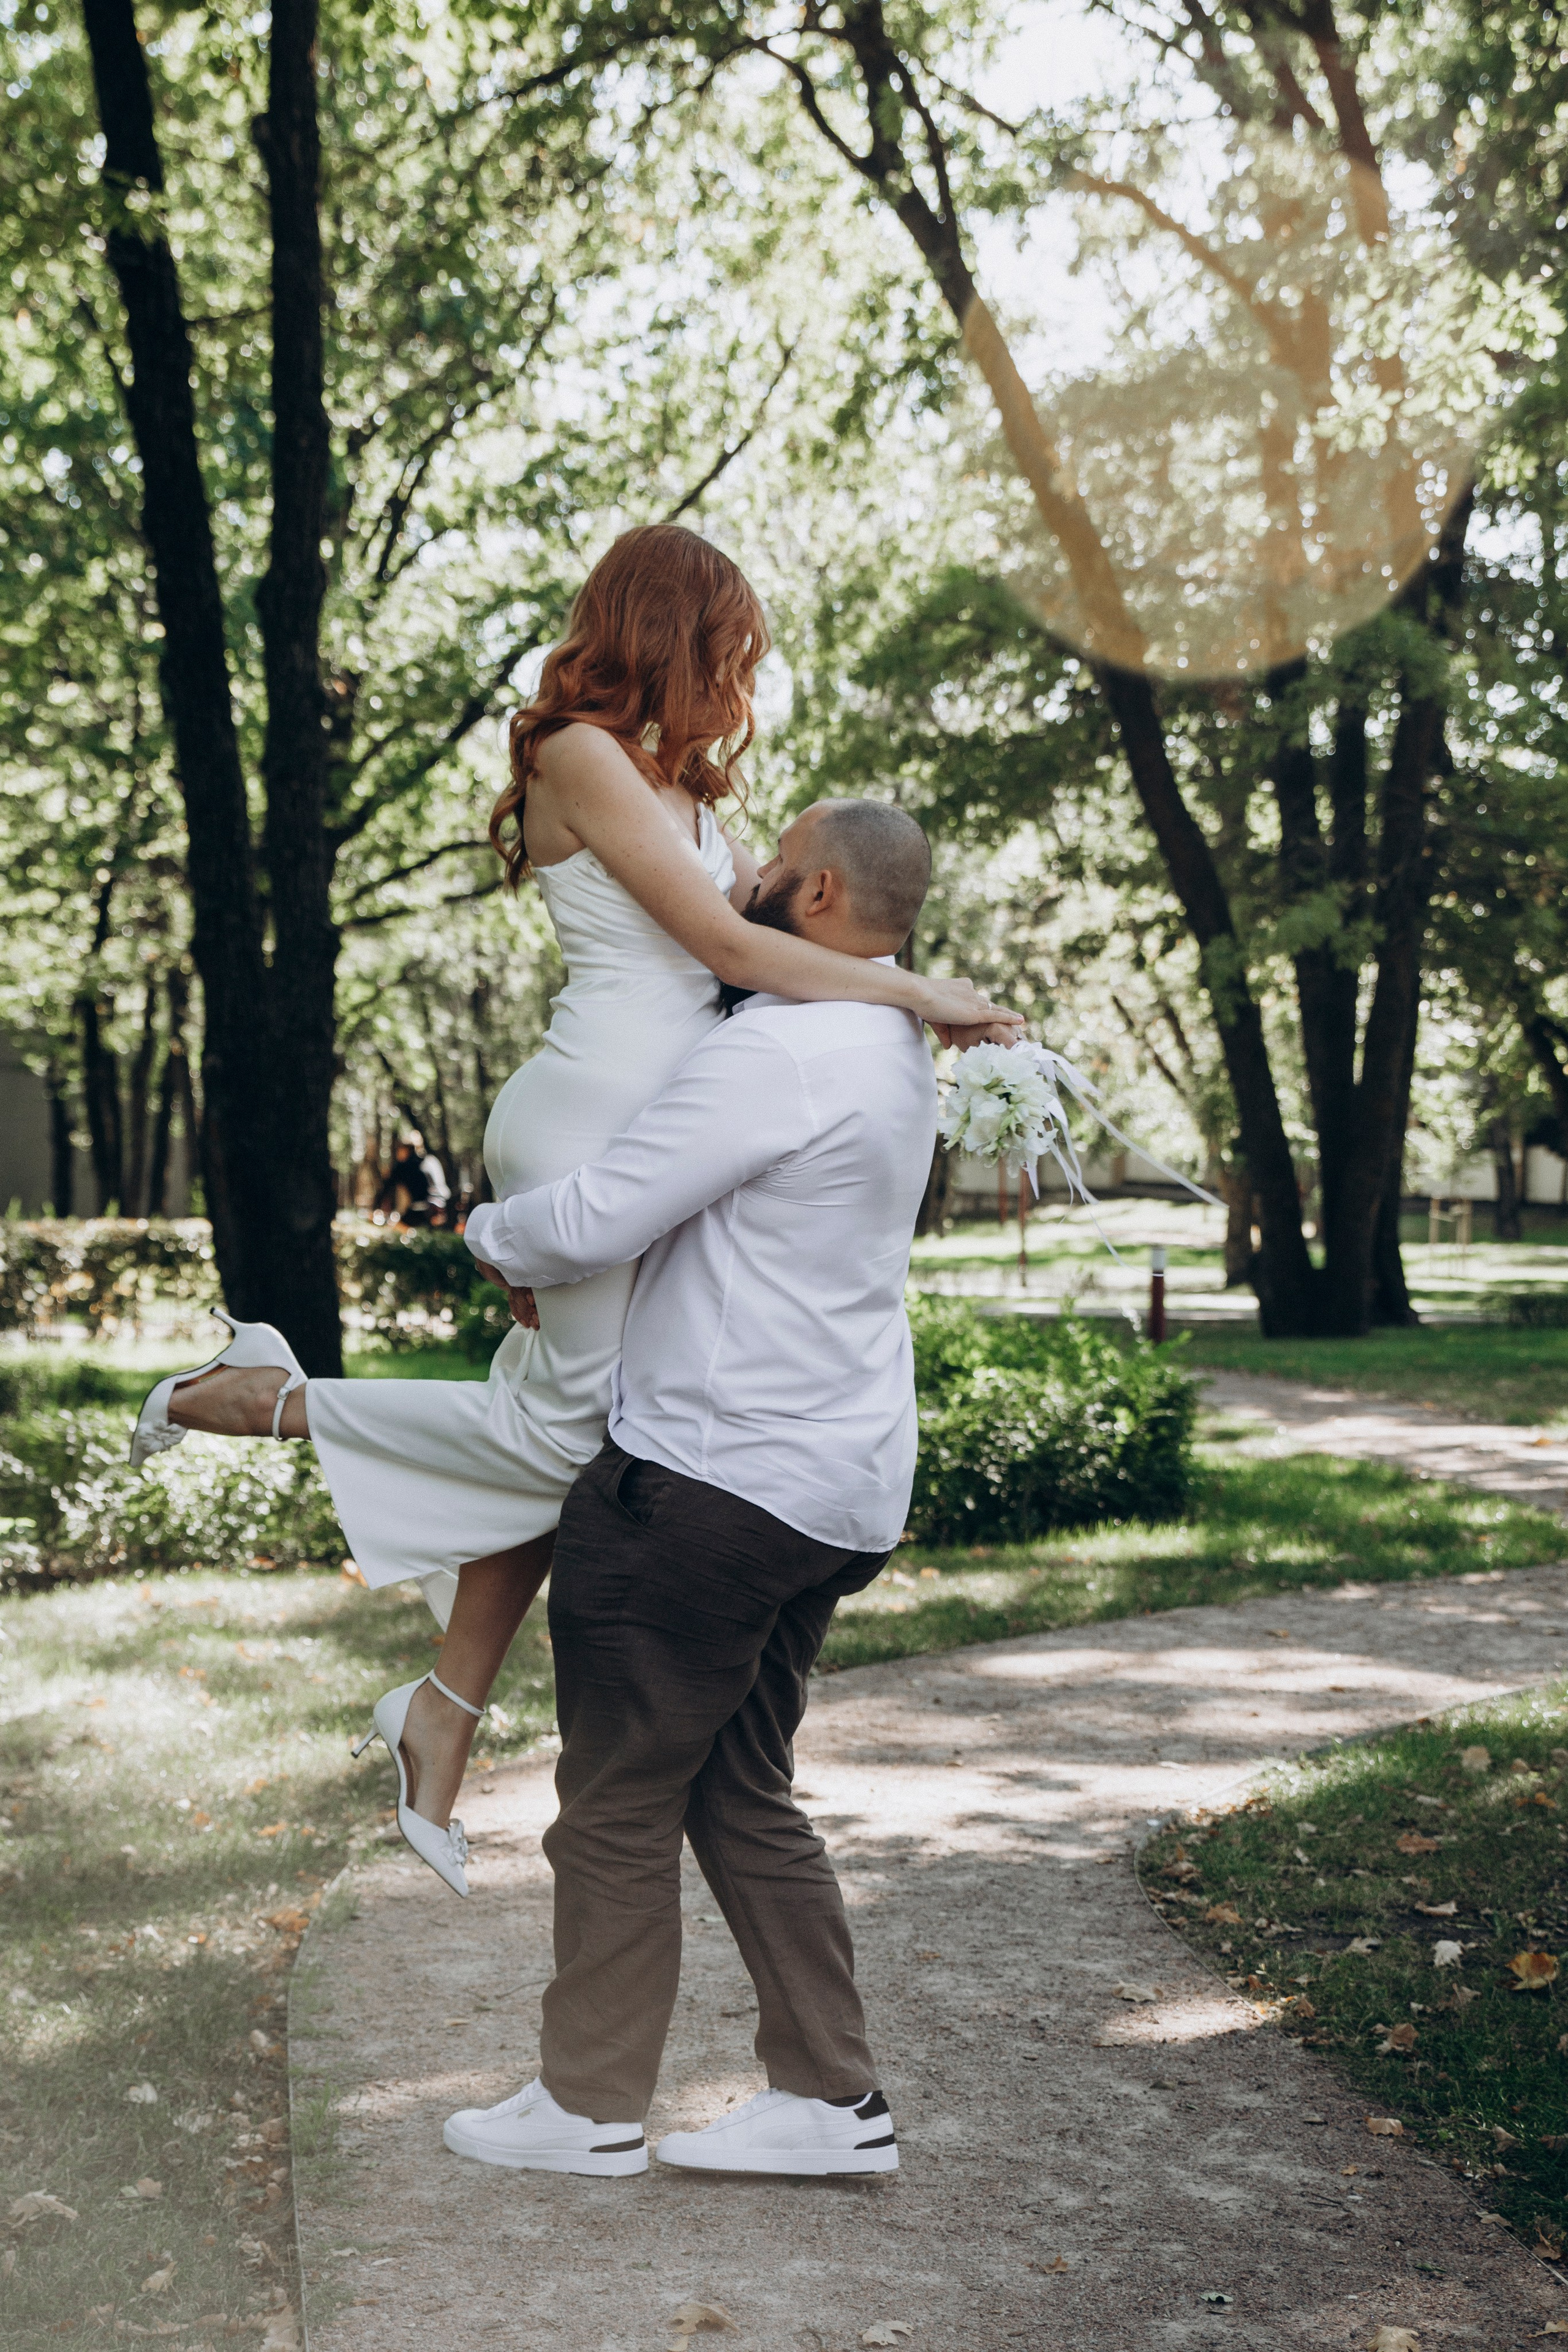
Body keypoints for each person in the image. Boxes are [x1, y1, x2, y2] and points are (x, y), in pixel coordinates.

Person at [128, 524, 1016, 1897]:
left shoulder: (676, 781)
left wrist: (911, 997)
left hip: (665, 1128)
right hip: (593, 1114)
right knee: (577, 1425)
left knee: (592, 1428)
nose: (741, 672)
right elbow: (727, 950)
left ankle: (440, 1714)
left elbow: (775, 946)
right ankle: (273, 1396)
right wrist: (915, 990)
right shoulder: (576, 754)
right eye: (728, 644)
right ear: (668, 628)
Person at [443, 797, 947, 2178]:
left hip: (707, 1490)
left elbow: (608, 1210)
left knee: (611, 1796)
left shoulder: (785, 1045)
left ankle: (587, 2107)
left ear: (823, 890)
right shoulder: (891, 1046)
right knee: (739, 1783)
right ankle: (831, 2103)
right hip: (833, 1495)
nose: (743, 881)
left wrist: (486, 1228)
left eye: (769, 867)